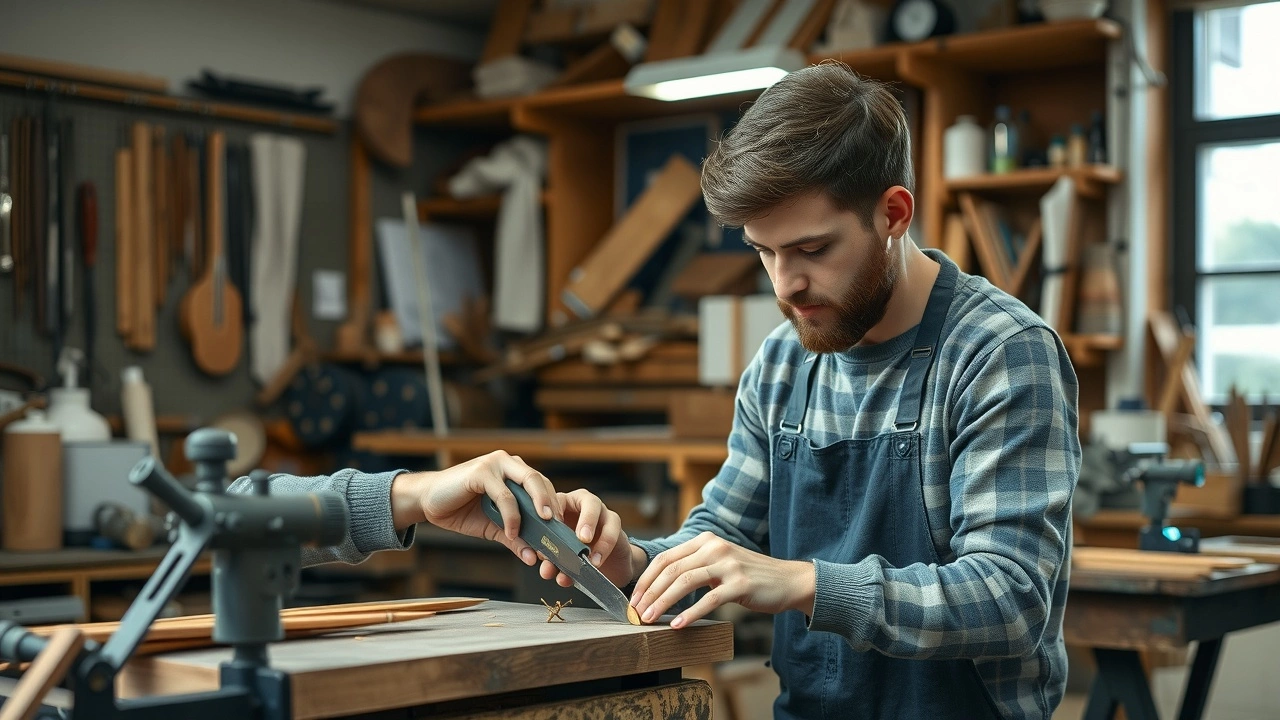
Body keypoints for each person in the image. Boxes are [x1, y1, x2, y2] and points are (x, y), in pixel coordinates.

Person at [538, 61, 1082, 719]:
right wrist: (629, 561)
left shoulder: (1000, 353)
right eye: (764, 252)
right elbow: (722, 535)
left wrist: (804, 584)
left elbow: (1011, 600)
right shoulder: (782, 363)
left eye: (812, 249)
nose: (783, 285)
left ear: (893, 213)